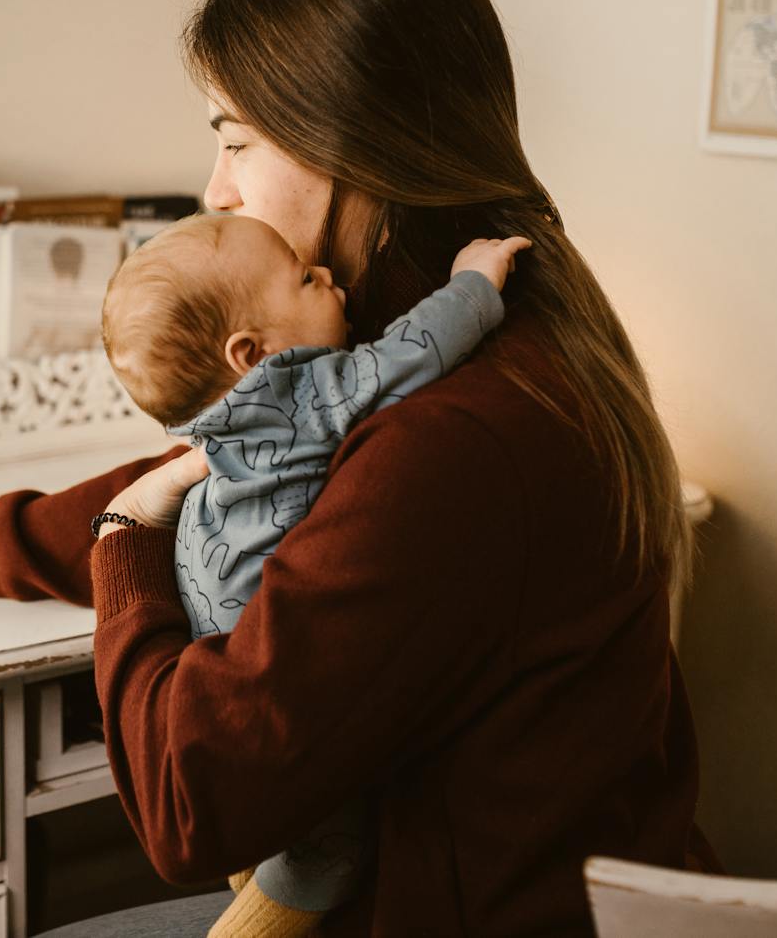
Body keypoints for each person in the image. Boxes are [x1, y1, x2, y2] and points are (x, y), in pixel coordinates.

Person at [0, 0, 719, 936]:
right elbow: (203, 487)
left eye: (235, 140)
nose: (215, 186)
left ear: (356, 146)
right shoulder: (479, 332)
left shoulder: (450, 441)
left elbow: (187, 806)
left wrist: (125, 556)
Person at [99, 213, 528, 937]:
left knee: (270, 832)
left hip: (208, 615)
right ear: (253, 352)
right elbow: (409, 352)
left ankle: (247, 881)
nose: (330, 277)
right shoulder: (306, 396)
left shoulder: (207, 423)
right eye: (305, 277)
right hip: (262, 634)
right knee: (329, 847)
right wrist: (474, 281)